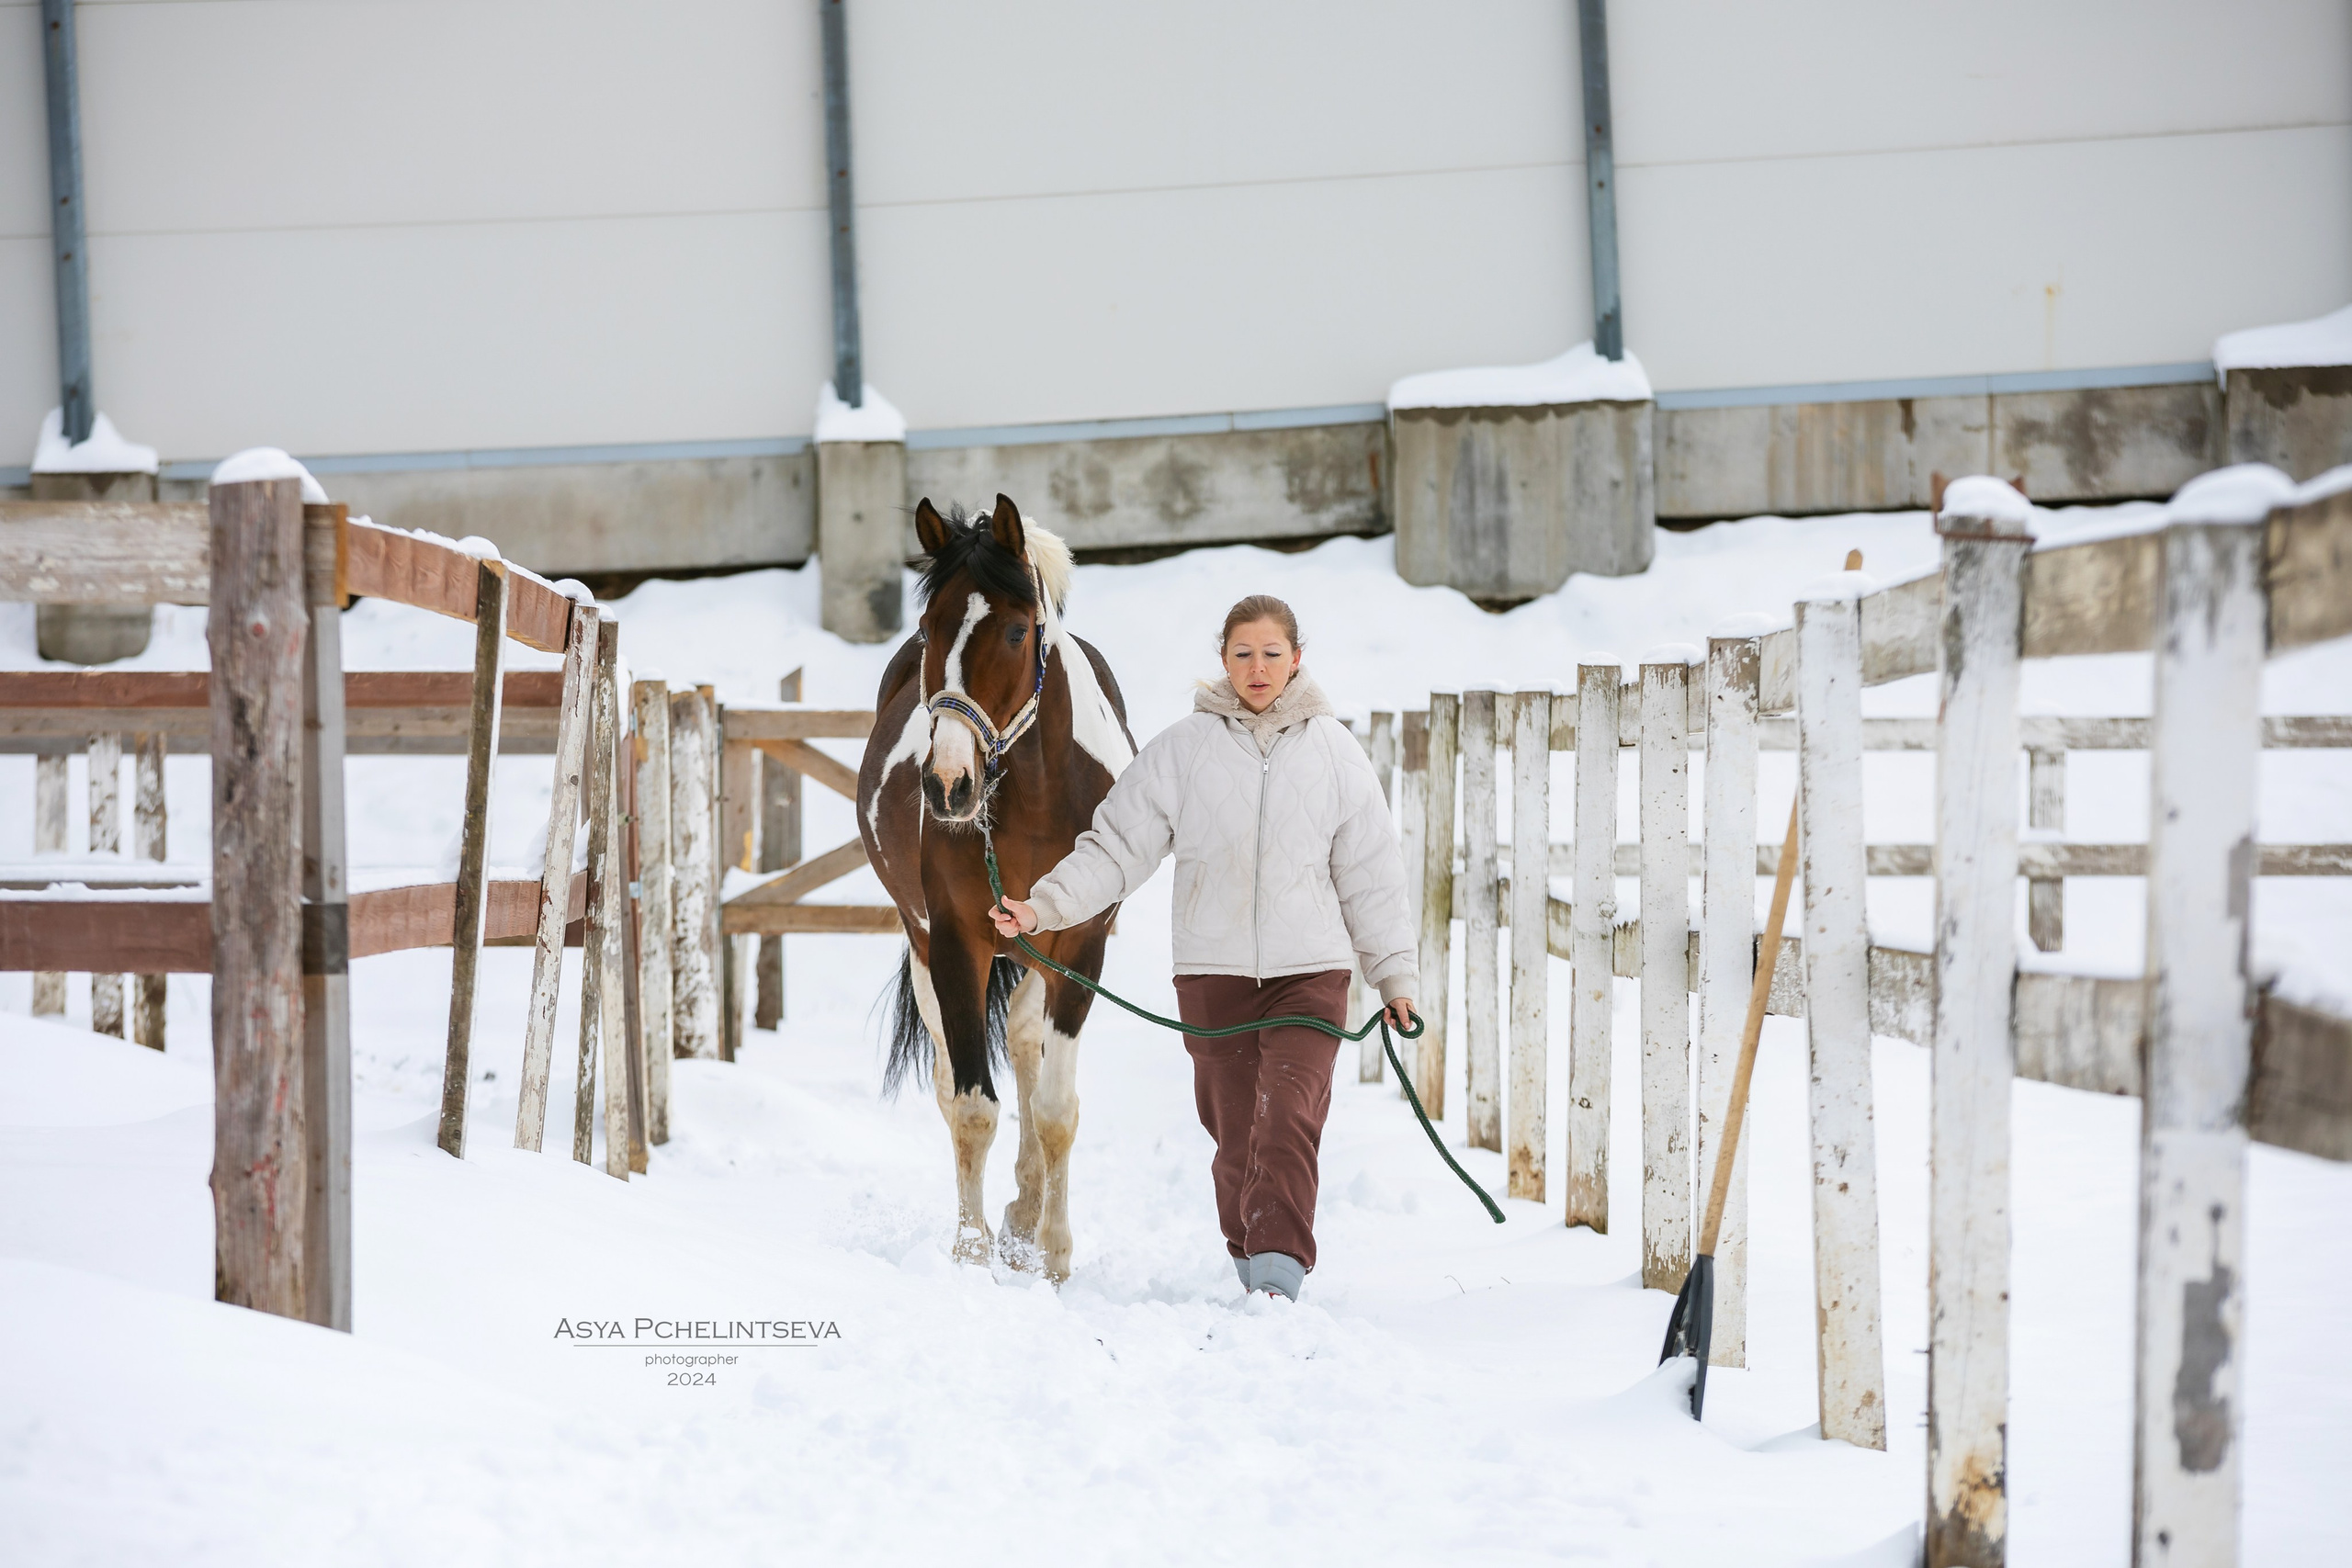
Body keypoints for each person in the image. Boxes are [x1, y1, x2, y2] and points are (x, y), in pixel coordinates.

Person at [989, 594, 1418, 1302]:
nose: (1257, 668)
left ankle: (1278, 1276)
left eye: (1272, 653)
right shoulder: (1183, 750)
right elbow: (1116, 847)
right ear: (1223, 660)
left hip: (1311, 973)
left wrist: (1395, 977)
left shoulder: (1336, 753)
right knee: (1236, 1138)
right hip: (1213, 975)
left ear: (1296, 659)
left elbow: (1372, 875)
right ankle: (1251, 1256)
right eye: (1243, 653)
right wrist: (1044, 906)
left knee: (1288, 1118)